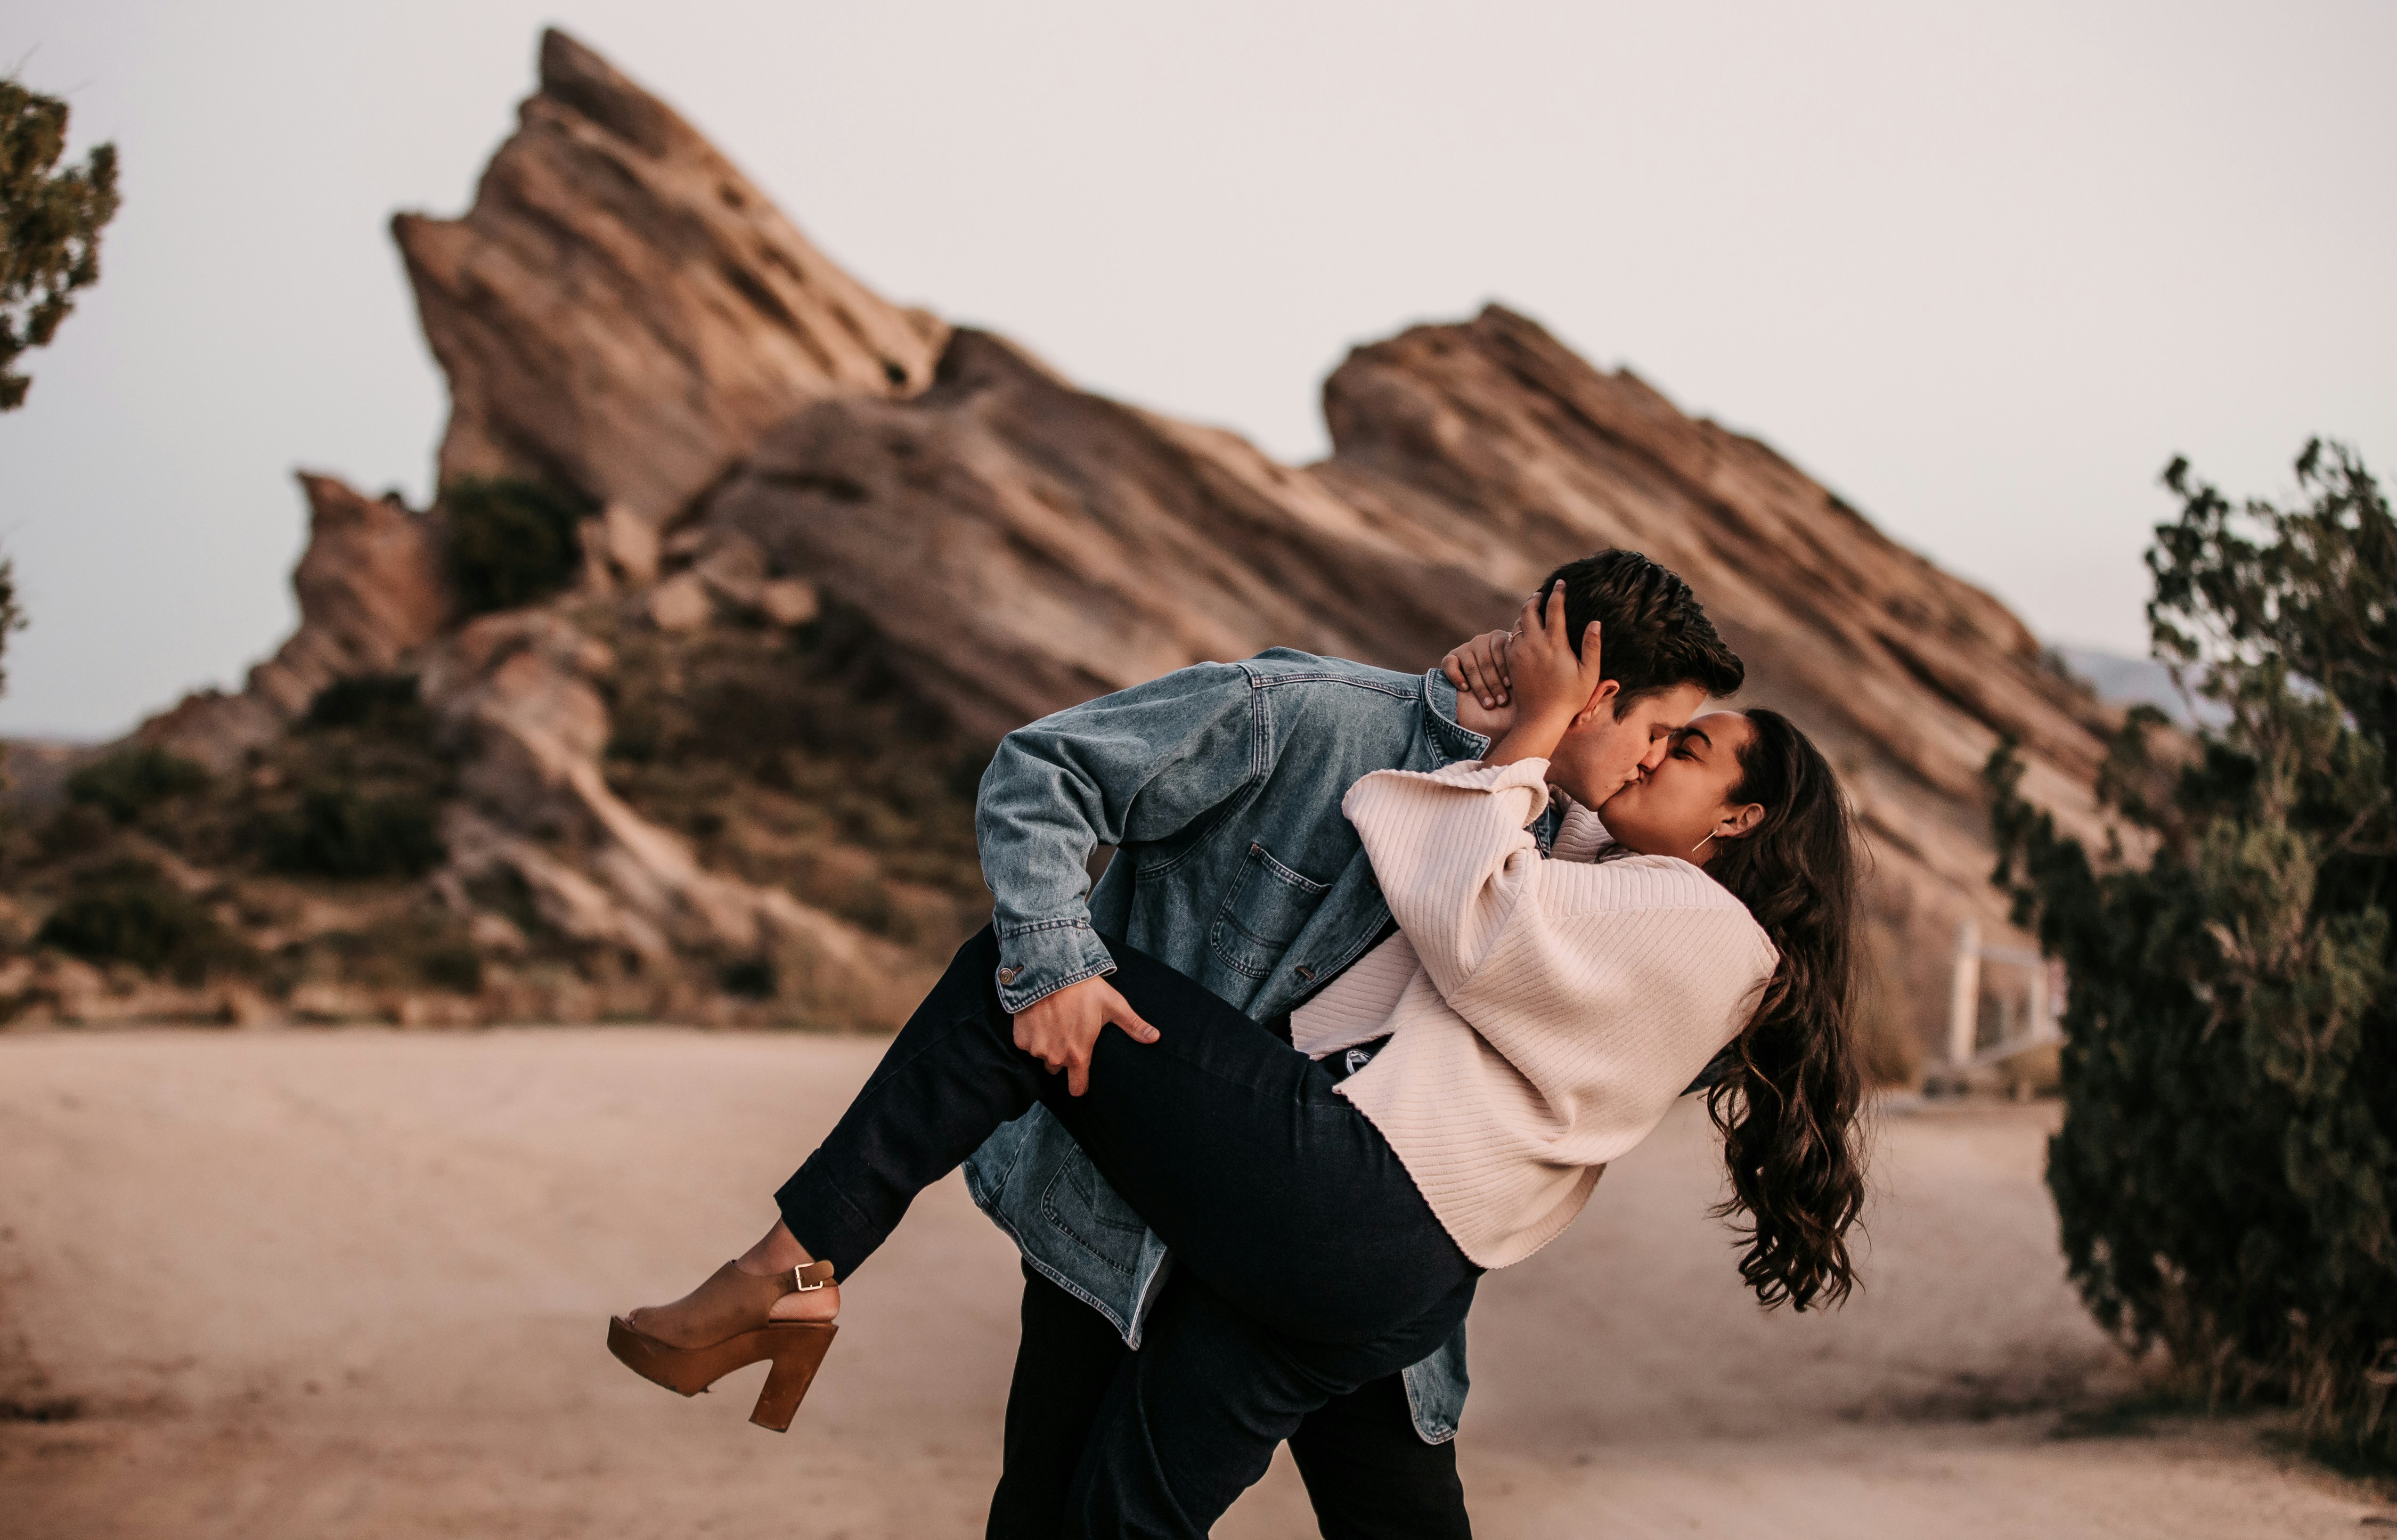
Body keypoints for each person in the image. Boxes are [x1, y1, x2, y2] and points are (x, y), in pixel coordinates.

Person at [608, 575, 1870, 1538]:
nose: (1654, 758)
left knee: (1027, 978)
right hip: (1272, 1229)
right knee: (1107, 1519)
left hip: (1341, 1207)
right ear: (1597, 697)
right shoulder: (1342, 729)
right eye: (1662, 730)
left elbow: (1472, 903)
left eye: (1683, 749)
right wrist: (1505, 725)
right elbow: (1049, 767)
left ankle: (783, 1270)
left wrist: (1527, 740)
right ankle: (784, 1279)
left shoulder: (1668, 907)